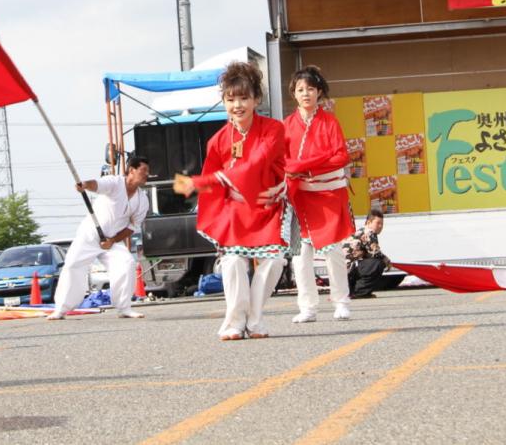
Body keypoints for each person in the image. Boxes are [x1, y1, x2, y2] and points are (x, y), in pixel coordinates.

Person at [174, 61, 288, 341]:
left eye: (244, 97)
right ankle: (235, 321)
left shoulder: (273, 129)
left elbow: (257, 162)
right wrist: (208, 183)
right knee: (234, 261)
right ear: (224, 101)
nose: (237, 104)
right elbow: (213, 176)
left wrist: (201, 182)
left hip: (267, 206)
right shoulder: (218, 141)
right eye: (230, 98)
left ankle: (255, 319)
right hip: (235, 210)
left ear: (256, 99)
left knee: (273, 262)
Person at [283, 66, 355, 323]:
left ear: (319, 92)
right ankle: (308, 307)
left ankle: (341, 300)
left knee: (333, 250)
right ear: (294, 93)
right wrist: (300, 168)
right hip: (300, 196)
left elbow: (342, 156)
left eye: (310, 89)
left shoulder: (330, 121)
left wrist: (309, 165)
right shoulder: (287, 125)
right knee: (301, 255)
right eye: (300, 90)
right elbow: (283, 161)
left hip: (328, 194)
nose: (306, 94)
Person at [48, 155, 150, 320]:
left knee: (127, 263)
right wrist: (85, 185)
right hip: (90, 234)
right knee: (73, 264)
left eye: (147, 171)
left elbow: (132, 227)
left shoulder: (142, 200)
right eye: (143, 170)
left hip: (111, 240)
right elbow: (97, 185)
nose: (147, 174)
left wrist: (113, 241)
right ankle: (61, 309)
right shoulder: (115, 183)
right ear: (131, 170)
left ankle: (124, 307)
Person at [346, 209, 390, 299]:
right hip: (348, 271)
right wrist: (387, 261)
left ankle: (354, 291)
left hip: (346, 272)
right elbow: (375, 253)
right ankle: (359, 292)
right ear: (369, 222)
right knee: (378, 264)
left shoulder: (362, 231)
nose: (380, 226)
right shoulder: (369, 232)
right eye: (378, 223)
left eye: (382, 224)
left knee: (374, 263)